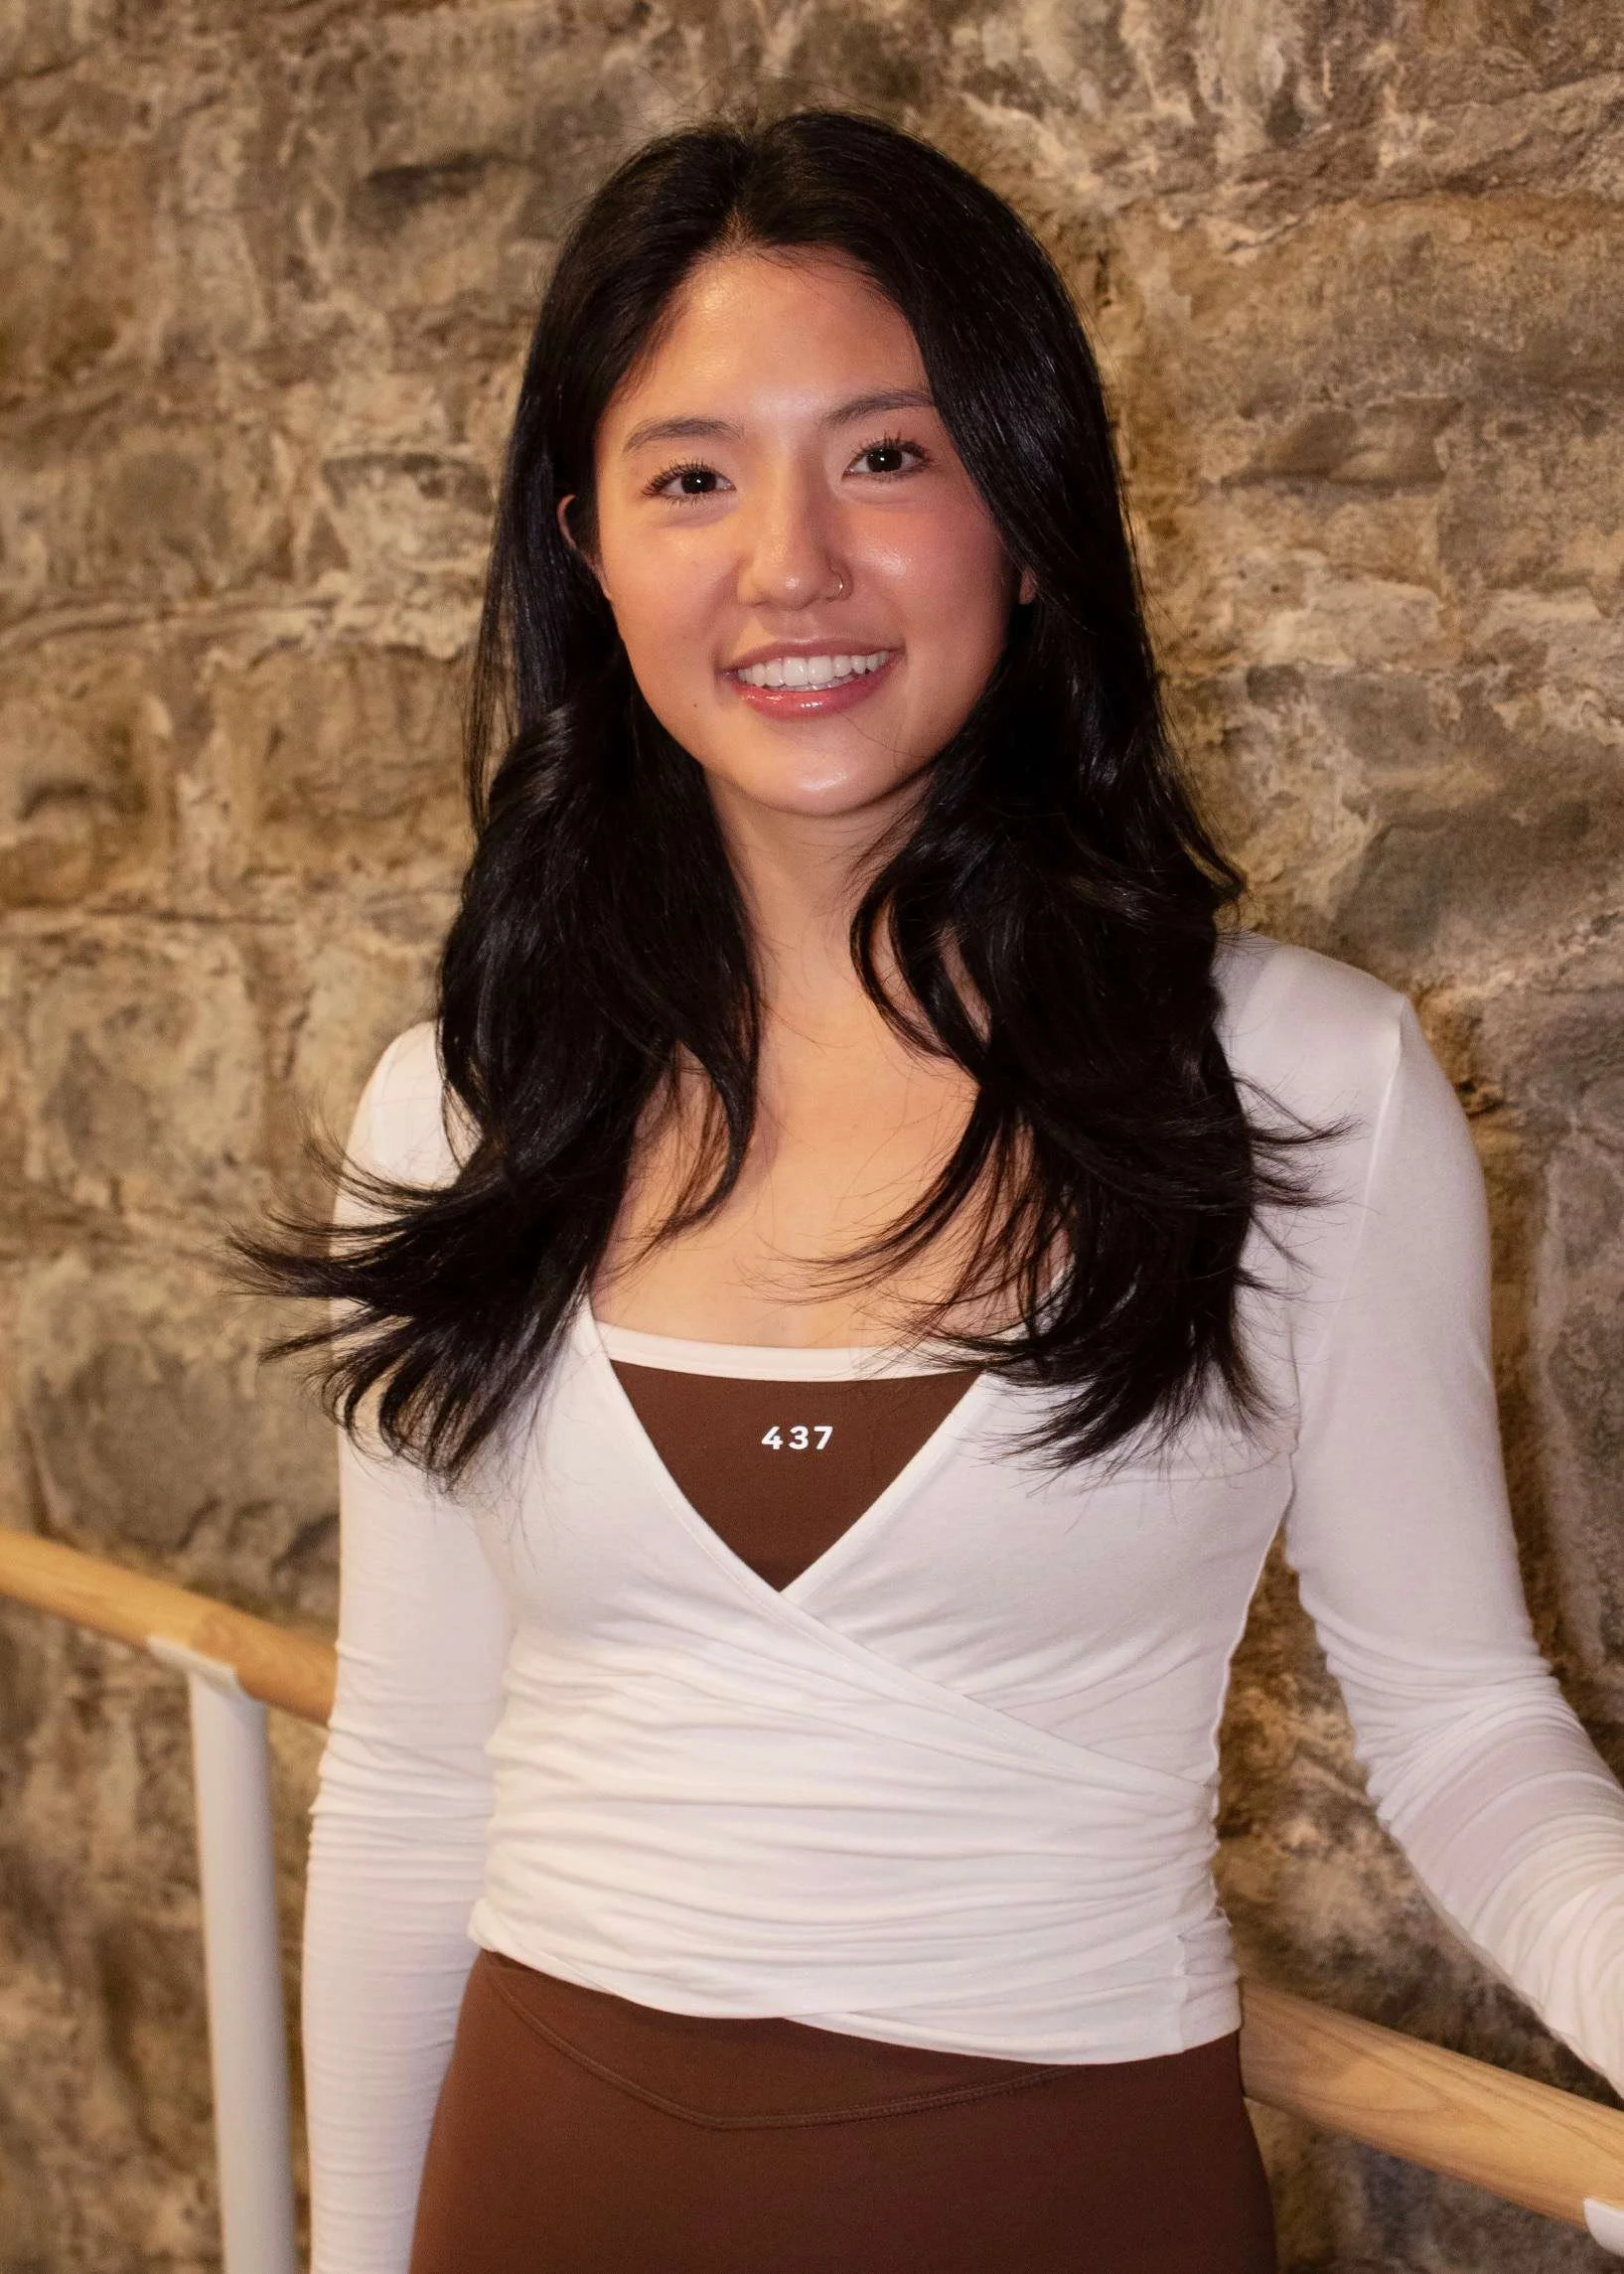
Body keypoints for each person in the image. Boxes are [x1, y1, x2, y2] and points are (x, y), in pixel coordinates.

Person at [254, 109, 1624, 2274]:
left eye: (886, 458)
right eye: (691, 474)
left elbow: (1460, 1729)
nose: (789, 562)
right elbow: (420, 1775)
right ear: (585, 549)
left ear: (1031, 512)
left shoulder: (1300, 1084)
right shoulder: (461, 1114)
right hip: (532, 2201)